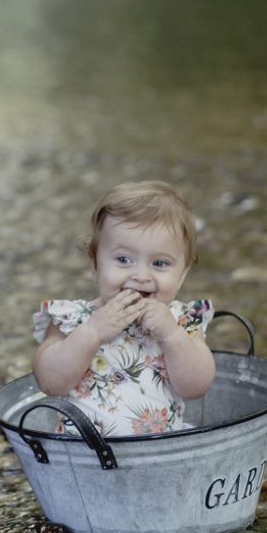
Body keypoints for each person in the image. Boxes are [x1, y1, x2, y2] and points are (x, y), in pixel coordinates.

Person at [33, 180, 215, 438]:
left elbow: (196, 386)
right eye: (123, 260)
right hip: (83, 462)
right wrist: (92, 332)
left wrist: (172, 336)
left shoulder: (182, 322)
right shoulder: (72, 319)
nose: (141, 275)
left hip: (162, 455)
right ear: (95, 263)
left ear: (182, 274)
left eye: (160, 263)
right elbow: (49, 382)